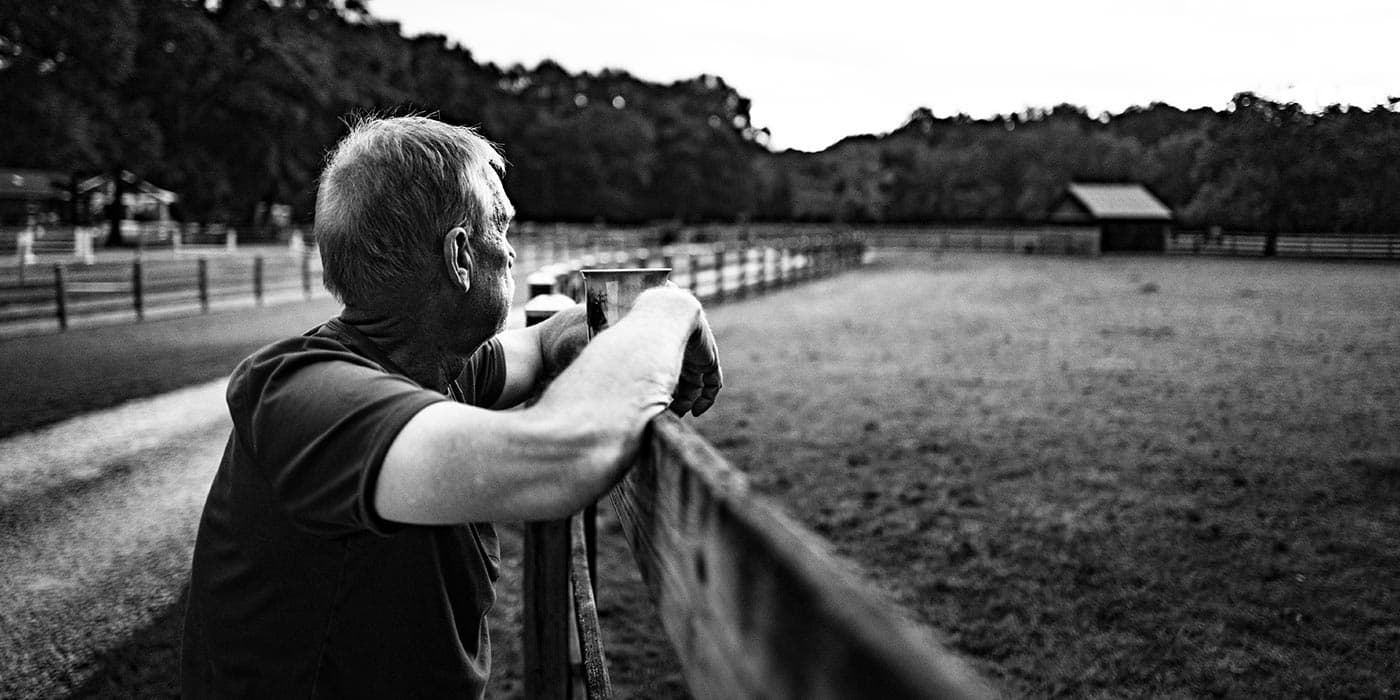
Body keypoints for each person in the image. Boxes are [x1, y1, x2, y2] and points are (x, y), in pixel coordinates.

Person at [181, 116, 722, 698]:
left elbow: (539, 343)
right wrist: (667, 310)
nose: (511, 251)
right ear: (460, 255)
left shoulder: (432, 365)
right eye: (501, 225)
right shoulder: (303, 393)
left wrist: (581, 330)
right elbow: (563, 456)